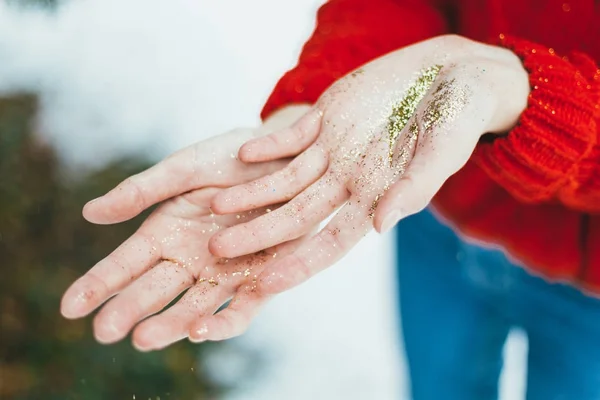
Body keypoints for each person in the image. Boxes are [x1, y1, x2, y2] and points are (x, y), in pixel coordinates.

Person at [61, 0, 600, 398]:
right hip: (430, 215)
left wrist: (530, 98)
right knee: (440, 386)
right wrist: (312, 126)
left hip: (587, 296)